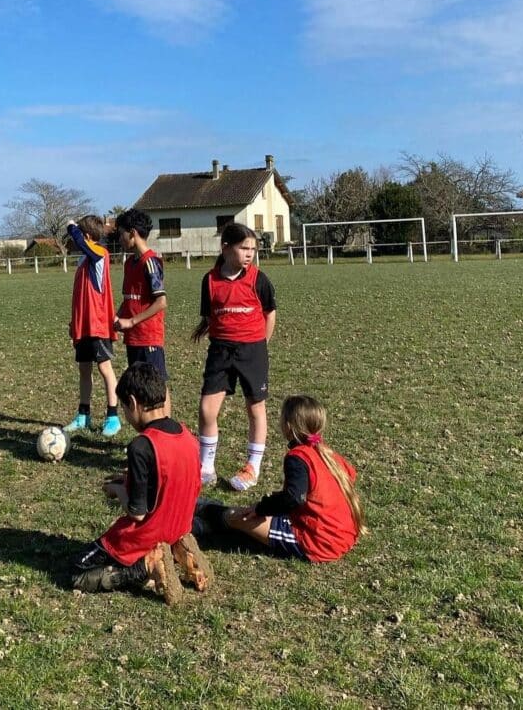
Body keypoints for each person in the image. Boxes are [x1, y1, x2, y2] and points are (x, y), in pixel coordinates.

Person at [71, 363, 213, 604]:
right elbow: (170, 480)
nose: (127, 416)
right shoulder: (186, 435)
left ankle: (147, 565)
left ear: (134, 403)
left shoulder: (141, 446)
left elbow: (137, 513)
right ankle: (179, 547)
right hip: (178, 524)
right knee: (168, 532)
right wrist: (131, 480)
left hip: (148, 532)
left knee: (78, 572)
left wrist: (117, 490)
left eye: (125, 409)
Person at [194, 395, 364, 563]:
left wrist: (262, 508)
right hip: (343, 533)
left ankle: (198, 521)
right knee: (246, 514)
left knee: (239, 518)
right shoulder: (328, 453)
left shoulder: (298, 457)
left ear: (288, 427)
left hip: (319, 541)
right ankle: (204, 510)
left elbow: (293, 498)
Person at [191, 222, 277, 491]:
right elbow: (209, 315)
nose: (249, 254)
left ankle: (253, 466)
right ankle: (206, 467)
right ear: (226, 248)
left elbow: (270, 315)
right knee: (207, 409)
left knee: (255, 408)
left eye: (253, 249)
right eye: (244, 248)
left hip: (252, 351)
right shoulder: (209, 280)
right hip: (220, 351)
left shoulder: (259, 279)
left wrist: (260, 345)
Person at [63, 215, 121, 437]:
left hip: (98, 325)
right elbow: (80, 295)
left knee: (104, 368)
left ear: (87, 236)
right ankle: (83, 415)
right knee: (84, 369)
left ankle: (113, 416)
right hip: (83, 325)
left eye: (80, 234)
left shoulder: (100, 255)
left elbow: (78, 240)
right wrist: (74, 322)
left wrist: (71, 227)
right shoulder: (83, 261)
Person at [113, 209, 169, 395]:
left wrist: (131, 321)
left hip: (148, 337)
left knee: (157, 387)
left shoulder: (151, 262)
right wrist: (117, 316)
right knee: (139, 388)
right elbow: (129, 298)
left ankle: (165, 423)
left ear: (133, 233)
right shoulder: (129, 263)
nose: (119, 238)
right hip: (133, 338)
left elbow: (160, 302)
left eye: (121, 233)